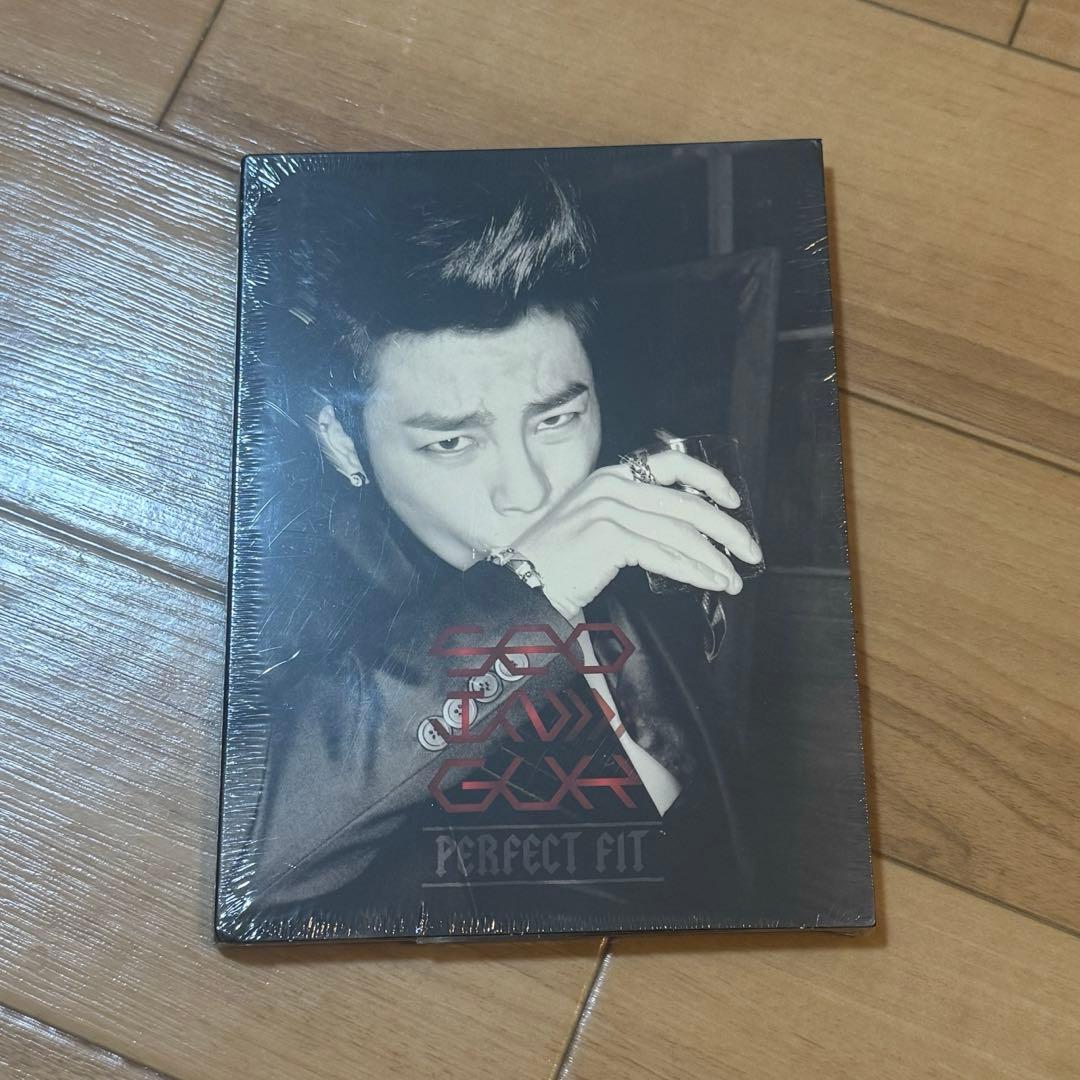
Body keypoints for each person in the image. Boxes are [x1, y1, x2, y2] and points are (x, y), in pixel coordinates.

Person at [218, 160, 764, 941]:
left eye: (556, 420)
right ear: (340, 439)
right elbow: (242, 858)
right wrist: (527, 593)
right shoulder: (286, 615)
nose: (530, 490)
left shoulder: (635, 542)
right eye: (451, 441)